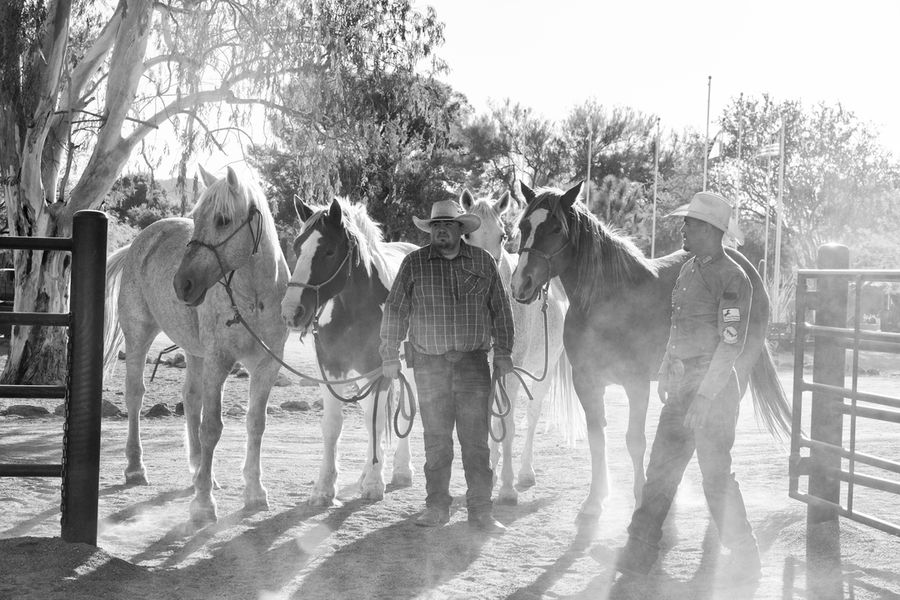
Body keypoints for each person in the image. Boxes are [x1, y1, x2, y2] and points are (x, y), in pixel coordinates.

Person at [615, 191, 761, 583]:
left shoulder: (733, 278)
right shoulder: (688, 270)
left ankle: (745, 554)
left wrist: (705, 397)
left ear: (712, 231)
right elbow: (677, 327)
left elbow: (730, 343)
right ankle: (637, 553)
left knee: (715, 477)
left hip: (713, 391)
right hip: (683, 386)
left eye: (691, 224)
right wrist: (666, 366)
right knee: (660, 471)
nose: (683, 228)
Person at [380, 199, 515, 534]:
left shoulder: (483, 262)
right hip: (429, 367)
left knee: (476, 443)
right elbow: (395, 310)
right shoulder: (414, 265)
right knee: (436, 442)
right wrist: (388, 355)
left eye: (447, 225)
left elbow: (500, 309)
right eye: (435, 226)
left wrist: (503, 353)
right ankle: (437, 507)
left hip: (472, 366)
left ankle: (481, 512)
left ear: (460, 230)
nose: (440, 231)